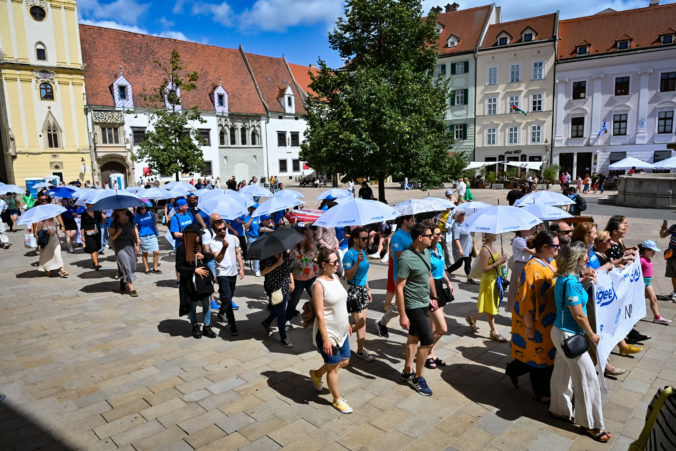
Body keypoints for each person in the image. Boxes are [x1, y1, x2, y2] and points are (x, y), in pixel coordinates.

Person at [550, 241, 610, 443]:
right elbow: (578, 314)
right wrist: (592, 334)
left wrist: (583, 279)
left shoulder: (568, 278)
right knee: (587, 379)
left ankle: (559, 409)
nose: (588, 258)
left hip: (560, 332)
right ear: (575, 259)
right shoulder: (571, 282)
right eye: (585, 256)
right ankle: (591, 424)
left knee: (562, 373)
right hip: (570, 336)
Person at [506, 231, 559, 404]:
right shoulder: (532, 267)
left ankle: (513, 370)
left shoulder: (550, 261)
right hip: (533, 321)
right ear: (544, 247)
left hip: (548, 319)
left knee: (540, 355)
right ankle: (540, 393)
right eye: (555, 246)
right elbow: (526, 300)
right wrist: (529, 327)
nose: (558, 249)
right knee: (538, 358)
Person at [309, 248, 353, 413]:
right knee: (334, 365)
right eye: (335, 262)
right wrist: (326, 339)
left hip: (342, 330)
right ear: (324, 265)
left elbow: (341, 303)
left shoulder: (335, 277)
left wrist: (347, 322)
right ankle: (337, 399)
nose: (338, 265)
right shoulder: (318, 285)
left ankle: (317, 374)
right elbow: (320, 314)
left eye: (338, 261)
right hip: (328, 332)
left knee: (345, 361)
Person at [397, 224, 437, 396]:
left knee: (413, 337)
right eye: (429, 235)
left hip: (424, 302)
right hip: (413, 305)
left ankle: (407, 371)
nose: (432, 237)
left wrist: (433, 297)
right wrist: (402, 314)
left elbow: (427, 277)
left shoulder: (426, 252)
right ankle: (418, 378)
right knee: (427, 342)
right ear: (420, 238)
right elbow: (399, 287)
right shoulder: (406, 258)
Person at [176, 223, 217, 339]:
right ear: (191, 236)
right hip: (190, 283)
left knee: (206, 304)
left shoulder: (199, 247)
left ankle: (207, 326)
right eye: (198, 235)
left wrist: (203, 257)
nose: (200, 238)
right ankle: (194, 326)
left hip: (203, 282)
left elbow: (209, 257)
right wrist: (194, 270)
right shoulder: (181, 249)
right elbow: (179, 267)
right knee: (192, 305)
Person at [377, 215, 415, 338]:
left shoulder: (412, 234)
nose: (415, 222)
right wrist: (415, 247)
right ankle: (382, 323)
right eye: (412, 220)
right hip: (401, 277)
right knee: (400, 307)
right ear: (405, 221)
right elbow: (398, 255)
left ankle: (414, 331)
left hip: (413, 276)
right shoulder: (397, 236)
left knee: (411, 306)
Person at [466, 233, 509, 342]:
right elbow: (485, 268)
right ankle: (494, 332)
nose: (497, 234)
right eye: (494, 233)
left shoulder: (493, 247)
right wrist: (498, 262)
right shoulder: (485, 250)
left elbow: (495, 263)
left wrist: (501, 261)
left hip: (495, 279)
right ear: (489, 235)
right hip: (488, 281)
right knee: (490, 307)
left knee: (489, 305)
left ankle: (472, 318)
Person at [343, 227, 375, 361]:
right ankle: (340, 333)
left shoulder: (362, 251)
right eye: (363, 238)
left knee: (363, 322)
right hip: (353, 290)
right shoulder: (349, 255)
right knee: (360, 322)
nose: (366, 241)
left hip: (362, 290)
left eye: (367, 238)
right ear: (355, 239)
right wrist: (357, 262)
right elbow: (349, 276)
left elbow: (364, 274)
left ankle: (361, 350)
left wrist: (368, 289)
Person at [209, 219, 245, 336]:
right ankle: (232, 325)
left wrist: (241, 268)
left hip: (233, 272)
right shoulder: (213, 243)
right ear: (215, 231)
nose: (223, 231)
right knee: (228, 299)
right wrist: (224, 247)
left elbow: (237, 252)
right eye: (220, 230)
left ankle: (221, 312)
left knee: (228, 297)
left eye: (224, 228)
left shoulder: (232, 238)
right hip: (222, 274)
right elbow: (218, 259)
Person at [426, 226, 454, 369]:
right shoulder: (426, 252)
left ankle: (432, 353)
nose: (441, 236)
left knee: (436, 324)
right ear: (432, 236)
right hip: (431, 287)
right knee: (437, 326)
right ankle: (425, 353)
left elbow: (442, 268)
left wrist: (448, 282)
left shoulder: (439, 248)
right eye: (439, 234)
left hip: (440, 286)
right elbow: (427, 274)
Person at [260, 250, 295, 348]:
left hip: (284, 287)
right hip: (273, 289)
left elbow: (289, 270)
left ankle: (266, 322)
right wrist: (277, 264)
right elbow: (263, 272)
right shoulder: (266, 256)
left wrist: (292, 282)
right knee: (282, 313)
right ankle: (283, 337)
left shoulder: (285, 254)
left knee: (278, 310)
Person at [287, 228, 318, 325]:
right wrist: (291, 282)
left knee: (317, 299)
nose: (300, 239)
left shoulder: (313, 246)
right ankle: (287, 318)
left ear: (307, 237)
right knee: (293, 302)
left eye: (303, 236)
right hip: (298, 280)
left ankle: (320, 318)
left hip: (311, 279)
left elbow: (317, 261)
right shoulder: (293, 249)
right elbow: (289, 266)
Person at [108, 209, 139, 297]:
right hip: (119, 247)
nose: (122, 211)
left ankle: (123, 279)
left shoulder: (130, 221)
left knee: (133, 266)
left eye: (123, 210)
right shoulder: (114, 222)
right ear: (117, 212)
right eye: (120, 210)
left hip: (130, 245)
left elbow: (133, 233)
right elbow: (112, 238)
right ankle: (131, 288)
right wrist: (118, 232)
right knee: (126, 266)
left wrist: (137, 244)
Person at [639, 240, 671, 325]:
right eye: (653, 251)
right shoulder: (641, 259)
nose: (654, 253)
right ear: (647, 250)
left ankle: (657, 317)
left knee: (653, 299)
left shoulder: (647, 259)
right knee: (652, 299)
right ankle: (657, 317)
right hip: (644, 282)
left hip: (647, 282)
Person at [506, 229, 536, 313]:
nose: (529, 230)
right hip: (520, 264)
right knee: (517, 288)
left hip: (526, 264)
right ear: (521, 230)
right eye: (526, 229)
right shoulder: (518, 240)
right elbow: (531, 252)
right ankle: (514, 310)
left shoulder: (525, 239)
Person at [446, 209, 475, 284]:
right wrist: (460, 249)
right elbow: (456, 239)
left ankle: (469, 278)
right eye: (461, 215)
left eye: (463, 215)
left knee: (467, 262)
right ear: (457, 216)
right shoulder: (455, 226)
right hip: (462, 248)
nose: (463, 217)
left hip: (467, 247)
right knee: (459, 264)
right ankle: (447, 272)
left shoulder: (464, 223)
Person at [134, 205, 161, 274]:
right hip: (143, 236)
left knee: (156, 252)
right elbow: (135, 228)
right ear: (139, 209)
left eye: (145, 208)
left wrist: (156, 218)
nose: (144, 209)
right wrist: (137, 239)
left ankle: (155, 268)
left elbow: (154, 223)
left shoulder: (150, 213)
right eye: (142, 208)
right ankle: (146, 268)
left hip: (152, 235)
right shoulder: (137, 216)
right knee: (145, 253)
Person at [80, 205, 104, 270]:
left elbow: (101, 221)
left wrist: (103, 217)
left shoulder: (97, 212)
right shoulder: (84, 214)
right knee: (92, 249)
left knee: (97, 248)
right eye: (89, 204)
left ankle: (95, 261)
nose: (90, 205)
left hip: (97, 233)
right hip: (88, 234)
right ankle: (96, 264)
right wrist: (82, 236)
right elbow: (82, 226)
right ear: (87, 205)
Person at [659, 220, 676, 302]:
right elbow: (662, 235)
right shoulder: (674, 226)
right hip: (671, 255)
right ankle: (675, 292)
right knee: (673, 275)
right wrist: (663, 229)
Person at [245, 204, 261, 276]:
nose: (254, 210)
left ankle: (259, 267)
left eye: (255, 209)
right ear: (250, 209)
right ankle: (256, 269)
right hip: (252, 237)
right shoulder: (247, 217)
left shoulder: (259, 217)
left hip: (260, 237)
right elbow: (246, 227)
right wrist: (251, 218)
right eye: (253, 209)